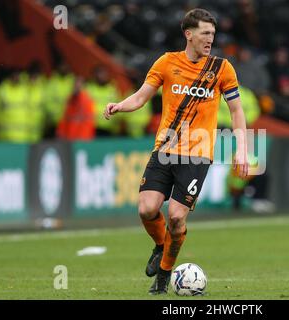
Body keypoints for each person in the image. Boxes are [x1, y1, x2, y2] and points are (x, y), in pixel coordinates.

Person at [103, 8, 249, 295]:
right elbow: (142, 96)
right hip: (165, 149)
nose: (210, 39)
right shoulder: (167, 63)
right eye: (205, 34)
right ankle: (161, 246)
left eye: (213, 34)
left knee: (177, 217)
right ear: (189, 34)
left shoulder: (222, 68)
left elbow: (236, 111)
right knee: (147, 209)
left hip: (197, 155)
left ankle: (164, 276)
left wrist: (242, 149)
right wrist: (120, 105)